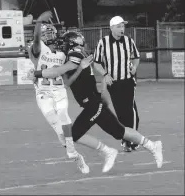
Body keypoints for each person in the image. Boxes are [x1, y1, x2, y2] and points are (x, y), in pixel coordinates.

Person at [32, 31, 163, 170]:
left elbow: (59, 71)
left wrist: (36, 73)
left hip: (92, 104)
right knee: (120, 131)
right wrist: (79, 70)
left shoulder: (75, 54)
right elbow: (68, 82)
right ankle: (152, 146)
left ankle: (108, 151)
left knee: (74, 134)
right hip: (93, 102)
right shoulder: (76, 55)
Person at [27, 11, 90, 174]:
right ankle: (75, 155)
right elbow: (35, 40)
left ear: (55, 35)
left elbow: (67, 82)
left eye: (49, 32)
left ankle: (73, 153)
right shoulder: (38, 49)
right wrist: (39, 22)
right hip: (42, 92)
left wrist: (80, 69)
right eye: (44, 33)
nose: (46, 36)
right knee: (57, 126)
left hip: (59, 91)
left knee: (63, 115)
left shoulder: (63, 55)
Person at [94, 16, 140, 152]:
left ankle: (131, 140)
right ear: (112, 28)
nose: (122, 29)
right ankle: (126, 139)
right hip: (113, 83)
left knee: (131, 112)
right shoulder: (103, 43)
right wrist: (105, 75)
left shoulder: (129, 41)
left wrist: (135, 67)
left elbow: (136, 57)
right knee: (121, 113)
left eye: (123, 26)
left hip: (127, 81)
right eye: (119, 26)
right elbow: (96, 63)